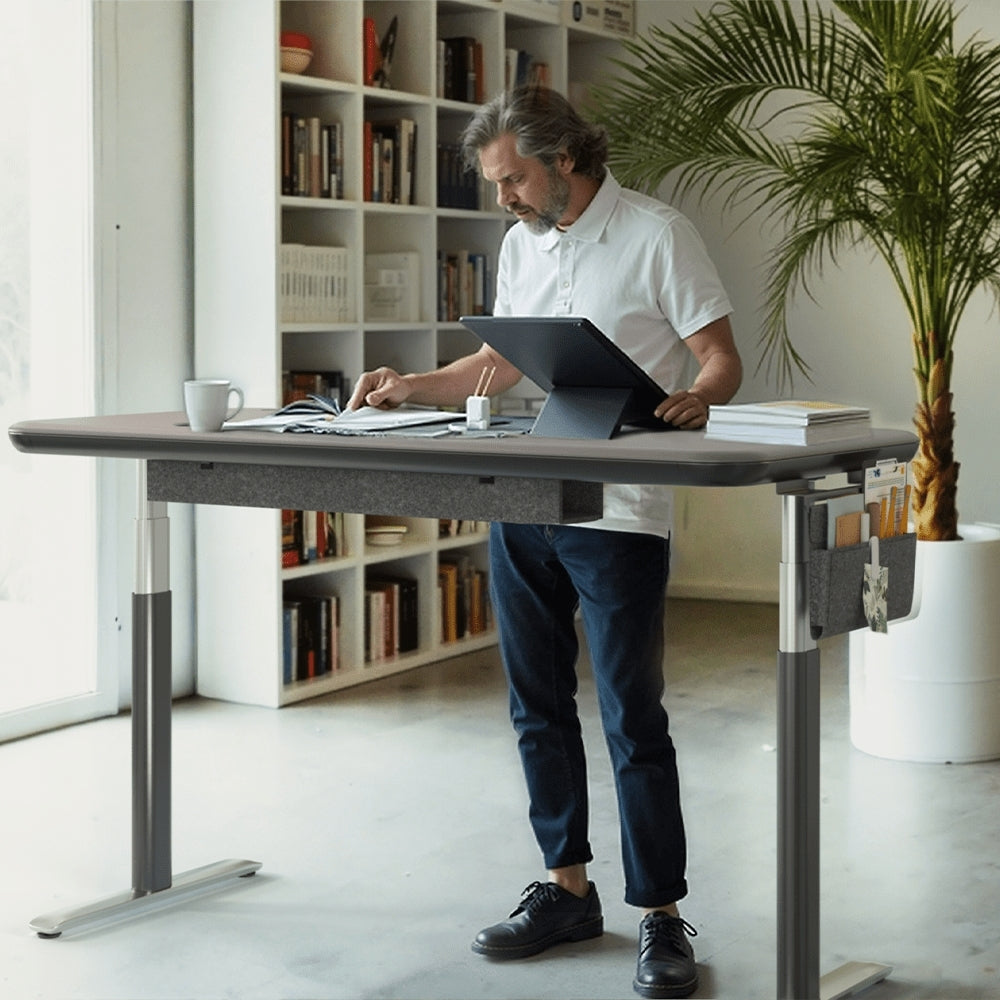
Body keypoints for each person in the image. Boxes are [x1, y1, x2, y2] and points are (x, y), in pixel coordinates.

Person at [347, 86, 742, 1000]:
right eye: (496, 184)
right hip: (526, 492)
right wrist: (413, 383)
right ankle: (567, 891)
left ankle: (661, 916)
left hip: (622, 506)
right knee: (535, 704)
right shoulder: (521, 245)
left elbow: (718, 352)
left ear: (563, 160)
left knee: (631, 718)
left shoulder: (656, 233)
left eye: (513, 179)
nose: (505, 200)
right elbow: (500, 365)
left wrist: (703, 395)